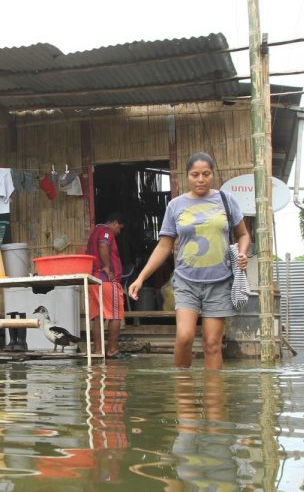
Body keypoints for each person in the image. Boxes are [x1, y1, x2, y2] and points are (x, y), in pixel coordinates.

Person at [127, 153, 250, 370]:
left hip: (220, 282)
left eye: (206, 174)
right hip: (186, 282)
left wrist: (242, 253)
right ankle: (184, 391)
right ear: (187, 176)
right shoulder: (176, 205)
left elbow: (243, 234)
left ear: (213, 174)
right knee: (184, 337)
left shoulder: (226, 200)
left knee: (212, 344)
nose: (200, 179)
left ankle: (214, 399)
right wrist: (141, 277)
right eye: (195, 175)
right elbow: (164, 245)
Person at [85, 211, 126, 358]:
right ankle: (112, 350)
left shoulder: (94, 232)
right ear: (114, 223)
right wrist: (108, 268)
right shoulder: (106, 231)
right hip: (106, 280)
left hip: (94, 280)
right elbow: (103, 245)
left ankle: (98, 351)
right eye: (119, 228)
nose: (118, 231)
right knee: (115, 314)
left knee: (98, 316)